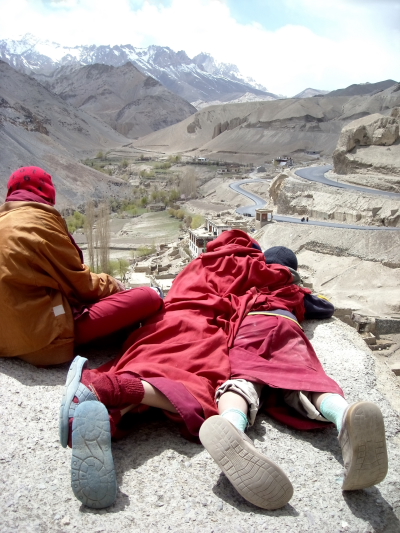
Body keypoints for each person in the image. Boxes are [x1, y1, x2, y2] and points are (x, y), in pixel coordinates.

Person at [59, 230, 305, 508]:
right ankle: (114, 390)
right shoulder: (248, 262)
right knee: (203, 389)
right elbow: (281, 279)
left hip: (163, 322)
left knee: (147, 363)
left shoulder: (197, 262)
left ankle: (104, 410)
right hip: (201, 326)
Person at [199, 246, 388, 509]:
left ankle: (232, 424)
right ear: (292, 272)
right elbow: (325, 308)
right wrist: (301, 289)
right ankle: (344, 416)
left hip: (250, 328)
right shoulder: (293, 290)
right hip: (287, 330)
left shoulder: (247, 284)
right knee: (308, 381)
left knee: (244, 379)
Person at [0, 166, 163, 366]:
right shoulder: (38, 224)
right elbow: (82, 286)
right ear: (46, 191)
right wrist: (113, 284)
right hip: (42, 338)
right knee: (149, 296)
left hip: (5, 337)